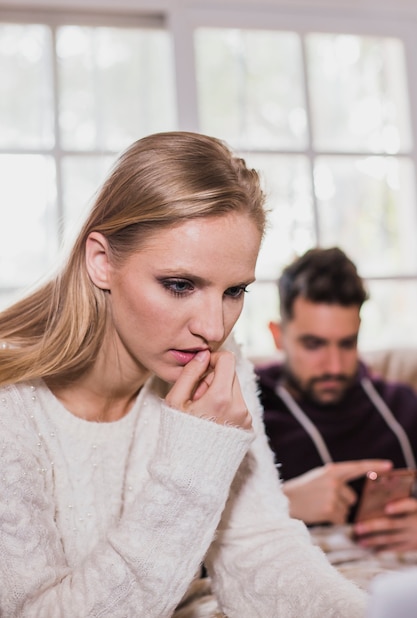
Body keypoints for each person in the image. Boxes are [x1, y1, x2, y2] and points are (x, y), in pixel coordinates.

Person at [0, 133, 366, 617]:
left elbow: (258, 544)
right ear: (101, 261)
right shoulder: (12, 406)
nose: (213, 327)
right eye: (179, 285)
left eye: (234, 290)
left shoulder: (209, 355)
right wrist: (193, 465)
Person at [256, 247, 417, 555]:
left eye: (347, 343)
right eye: (314, 344)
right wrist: (281, 504)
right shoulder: (247, 413)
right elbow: (191, 545)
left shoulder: (401, 405)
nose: (334, 366)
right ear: (278, 335)